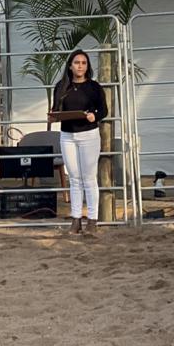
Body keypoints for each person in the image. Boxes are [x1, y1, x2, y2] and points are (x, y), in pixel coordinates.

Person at [49, 49, 108, 236]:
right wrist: (52, 117)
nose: (80, 66)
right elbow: (55, 109)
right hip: (67, 135)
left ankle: (92, 219)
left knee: (89, 178)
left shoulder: (94, 87)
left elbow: (103, 110)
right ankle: (76, 219)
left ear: (87, 66)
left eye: (83, 63)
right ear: (70, 65)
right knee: (74, 178)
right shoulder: (61, 86)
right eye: (77, 63)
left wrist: (94, 115)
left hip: (88, 134)